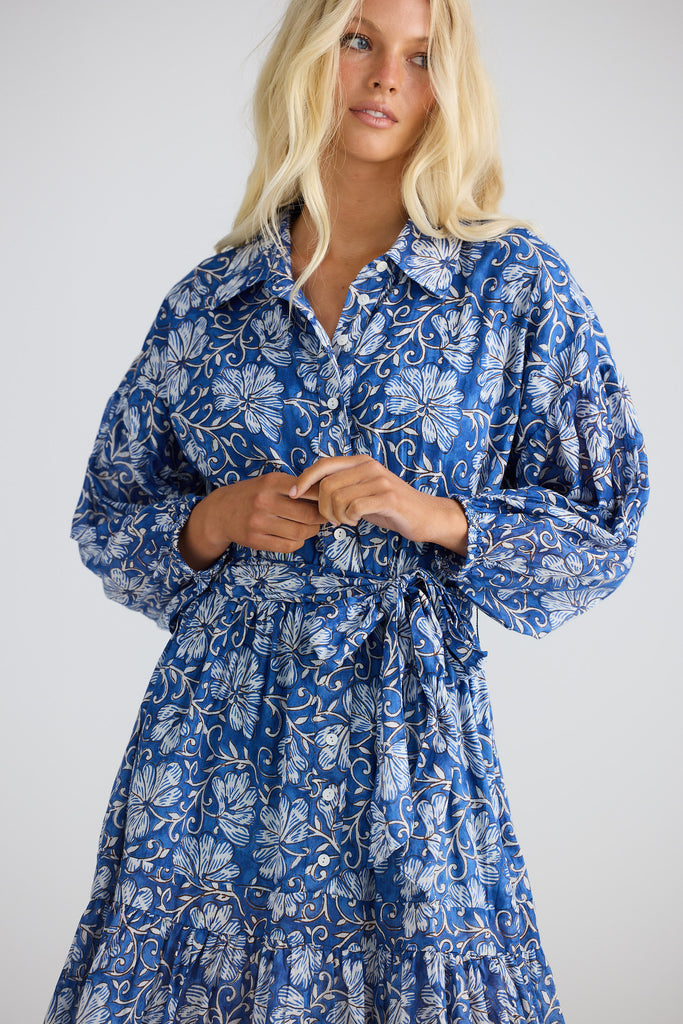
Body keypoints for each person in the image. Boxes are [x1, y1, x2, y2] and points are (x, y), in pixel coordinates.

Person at [45, 0, 649, 1021]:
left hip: (409, 725)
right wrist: (216, 518)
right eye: (359, 42)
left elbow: (602, 520)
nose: (384, 80)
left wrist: (436, 515)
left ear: (446, 85)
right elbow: (108, 514)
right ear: (307, 59)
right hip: (216, 737)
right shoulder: (212, 300)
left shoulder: (509, 287)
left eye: (421, 58)